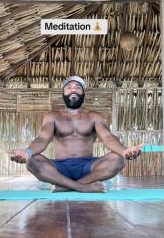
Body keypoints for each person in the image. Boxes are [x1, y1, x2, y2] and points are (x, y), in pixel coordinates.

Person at [7, 76, 142, 193]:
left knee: (118, 159)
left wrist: (124, 151)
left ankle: (65, 186)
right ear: (63, 93)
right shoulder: (53, 116)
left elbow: (107, 137)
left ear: (83, 92)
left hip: (88, 168)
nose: (73, 89)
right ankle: (82, 186)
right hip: (60, 168)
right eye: (69, 87)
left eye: (77, 87)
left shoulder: (94, 116)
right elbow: (42, 139)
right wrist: (27, 152)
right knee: (32, 161)